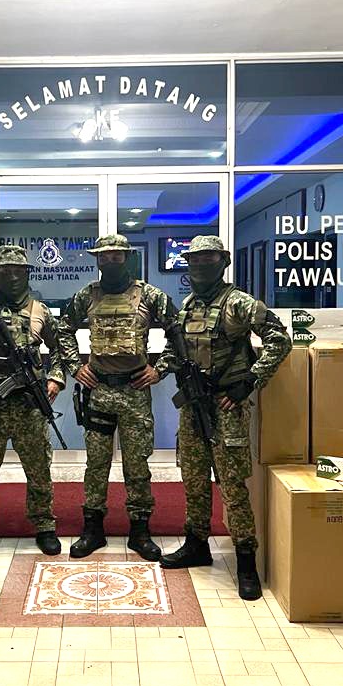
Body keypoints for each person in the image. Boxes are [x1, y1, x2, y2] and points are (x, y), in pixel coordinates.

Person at [157, 235, 292, 600]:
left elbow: (280, 340)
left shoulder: (238, 303)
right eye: (195, 259)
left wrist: (249, 382)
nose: (200, 265)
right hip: (193, 407)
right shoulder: (189, 305)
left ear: (224, 261)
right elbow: (175, 349)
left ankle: (246, 561)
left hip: (226, 407)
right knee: (194, 479)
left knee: (232, 486)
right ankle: (196, 544)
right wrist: (161, 368)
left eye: (208, 259)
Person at [57, 233, 178, 561]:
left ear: (126, 258)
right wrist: (75, 366)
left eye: (116, 256)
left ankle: (140, 530)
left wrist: (159, 369)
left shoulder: (149, 294)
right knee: (96, 464)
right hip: (99, 391)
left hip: (134, 391)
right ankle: (92, 528)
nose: (110, 261)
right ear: (97, 260)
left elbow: (178, 332)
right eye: (104, 256)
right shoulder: (87, 295)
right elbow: (62, 330)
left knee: (137, 464)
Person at [0, 244, 66, 557]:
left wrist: (55, 378)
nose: (11, 277)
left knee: (39, 468)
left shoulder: (39, 311)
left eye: (17, 271)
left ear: (27, 273)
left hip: (28, 406)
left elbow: (61, 348)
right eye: (4, 271)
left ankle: (44, 525)